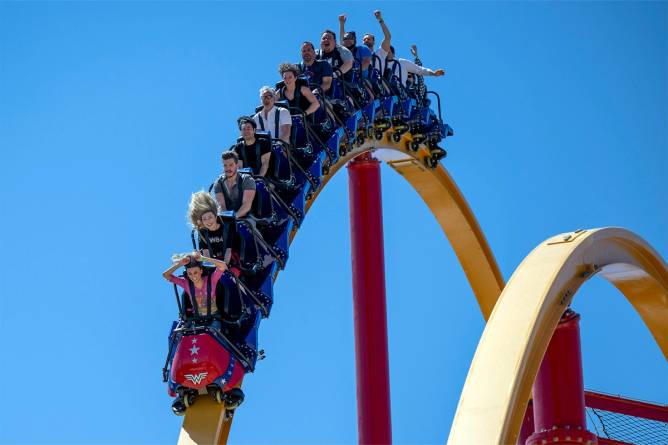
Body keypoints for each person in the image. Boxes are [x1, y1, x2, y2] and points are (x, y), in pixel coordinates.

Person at [188, 191, 241, 276]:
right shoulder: (203, 233)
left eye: (210, 217)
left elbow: (228, 251)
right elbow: (206, 254)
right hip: (215, 263)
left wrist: (224, 267)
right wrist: (211, 270)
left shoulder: (226, 227)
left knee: (228, 276)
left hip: (231, 261)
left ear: (216, 216)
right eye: (204, 219)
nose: (208, 221)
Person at [162, 252, 228, 318]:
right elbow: (165, 275)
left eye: (195, 272)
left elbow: (223, 265)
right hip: (196, 321)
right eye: (190, 273)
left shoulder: (211, 279)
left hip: (214, 318)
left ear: (201, 271)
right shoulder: (186, 283)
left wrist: (203, 258)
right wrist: (180, 264)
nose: (193, 276)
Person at [213, 151, 256, 218]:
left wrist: (235, 217)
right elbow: (222, 206)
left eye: (231, 165)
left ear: (236, 165)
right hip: (228, 219)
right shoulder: (219, 183)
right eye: (225, 165)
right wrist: (227, 219)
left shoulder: (247, 180)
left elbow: (246, 204)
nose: (228, 168)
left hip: (247, 218)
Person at [362, 10, 392, 75]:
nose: (366, 41)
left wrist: (380, 20)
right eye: (364, 40)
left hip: (376, 82)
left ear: (374, 42)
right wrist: (342, 24)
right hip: (362, 80)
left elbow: (388, 37)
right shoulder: (359, 53)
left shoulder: (380, 53)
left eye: (368, 39)